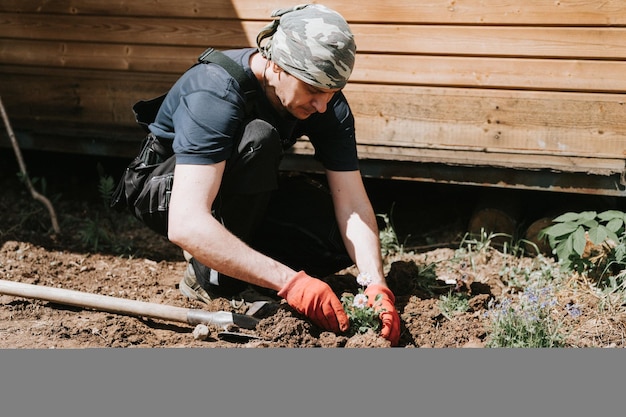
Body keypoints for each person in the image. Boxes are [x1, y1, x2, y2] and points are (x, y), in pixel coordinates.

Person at [141, 4, 400, 345]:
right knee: (259, 139)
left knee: (338, 240)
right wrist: (292, 283)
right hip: (168, 193)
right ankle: (213, 279)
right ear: (277, 65)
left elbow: (351, 203)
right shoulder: (215, 90)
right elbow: (185, 221)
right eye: (313, 90)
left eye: (332, 92)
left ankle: (241, 266)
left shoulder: (325, 101)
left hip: (238, 190)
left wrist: (374, 283)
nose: (323, 105)